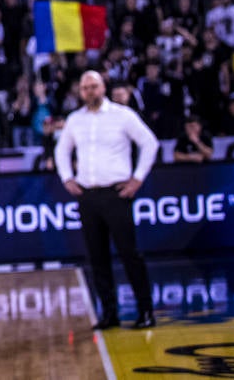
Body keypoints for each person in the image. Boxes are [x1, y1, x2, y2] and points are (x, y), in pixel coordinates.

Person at [55, 70, 160, 330]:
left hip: (116, 194)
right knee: (97, 257)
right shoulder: (75, 120)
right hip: (88, 195)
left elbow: (150, 143)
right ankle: (109, 314)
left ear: (104, 87)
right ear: (80, 92)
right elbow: (61, 150)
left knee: (129, 254)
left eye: (94, 86)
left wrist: (137, 179)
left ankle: (145, 311)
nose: (90, 91)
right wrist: (67, 177)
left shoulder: (122, 115)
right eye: (85, 87)